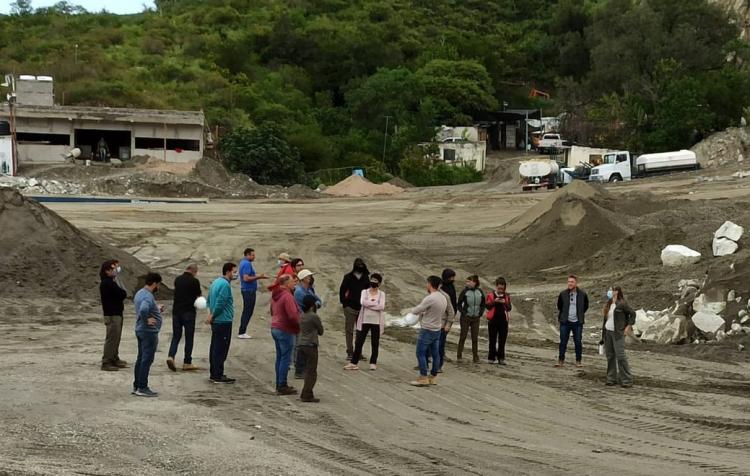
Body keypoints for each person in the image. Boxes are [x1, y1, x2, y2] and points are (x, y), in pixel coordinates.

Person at [410, 276, 450, 387]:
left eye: (427, 283)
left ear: (430, 284)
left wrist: (411, 311)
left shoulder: (430, 298)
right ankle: (433, 376)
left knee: (420, 353)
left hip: (427, 328)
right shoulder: (443, 297)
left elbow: (418, 310)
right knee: (436, 353)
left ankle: (423, 377)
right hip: (437, 328)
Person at [345, 273, 386, 371]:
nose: (373, 282)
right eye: (372, 280)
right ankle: (354, 362)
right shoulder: (364, 292)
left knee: (375, 342)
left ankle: (373, 362)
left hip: (376, 321)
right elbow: (363, 302)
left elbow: (381, 306)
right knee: (359, 341)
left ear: (379, 283)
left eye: (376, 281)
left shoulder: (382, 294)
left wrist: (370, 304)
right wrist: (374, 303)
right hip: (364, 320)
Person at [133, 272, 163, 397]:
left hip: (140, 330)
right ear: (154, 283)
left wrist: (156, 309)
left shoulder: (140, 293)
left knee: (140, 359)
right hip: (148, 332)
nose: (159, 288)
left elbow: (146, 308)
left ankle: (137, 385)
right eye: (159, 285)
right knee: (146, 360)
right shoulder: (147, 296)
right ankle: (142, 387)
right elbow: (144, 309)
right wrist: (147, 320)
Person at [167, 264, 202, 372]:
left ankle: (171, 356)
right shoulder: (194, 281)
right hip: (189, 312)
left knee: (176, 336)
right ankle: (187, 362)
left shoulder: (178, 280)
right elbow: (198, 296)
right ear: (194, 271)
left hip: (176, 311)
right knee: (189, 337)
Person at [207, 262, 238, 384]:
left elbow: (209, 300)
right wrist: (213, 315)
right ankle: (218, 375)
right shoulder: (225, 285)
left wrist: (210, 314)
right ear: (228, 271)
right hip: (223, 320)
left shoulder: (215, 282)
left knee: (215, 347)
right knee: (221, 349)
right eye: (234, 272)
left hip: (217, 320)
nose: (236, 274)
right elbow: (221, 302)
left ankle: (214, 372)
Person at [271, 274, 301, 395]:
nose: (295, 283)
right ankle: (282, 384)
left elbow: (272, 310)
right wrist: (298, 326)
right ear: (286, 283)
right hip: (285, 329)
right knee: (285, 358)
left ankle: (279, 382)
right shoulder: (287, 296)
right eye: (293, 281)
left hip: (275, 326)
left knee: (280, 357)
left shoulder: (275, 295)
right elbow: (293, 315)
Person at [600, 286, 636, 387]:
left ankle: (627, 380)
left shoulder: (622, 304)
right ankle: (611, 378)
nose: (609, 292)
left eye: (611, 290)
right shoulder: (609, 303)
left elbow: (632, 314)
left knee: (620, 356)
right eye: (609, 290)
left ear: (616, 292)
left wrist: (627, 327)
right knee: (610, 356)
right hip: (608, 332)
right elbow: (606, 319)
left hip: (618, 333)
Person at [339, 258, 370, 361]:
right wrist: (344, 303)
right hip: (349, 308)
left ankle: (358, 352)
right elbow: (342, 290)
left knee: (360, 331)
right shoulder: (348, 277)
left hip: (361, 308)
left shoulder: (366, 278)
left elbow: (369, 292)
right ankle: (350, 352)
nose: (360, 267)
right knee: (349, 331)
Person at [293, 269, 322, 378]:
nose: (310, 278)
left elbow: (318, 301)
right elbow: (314, 302)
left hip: (307, 318)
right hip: (304, 319)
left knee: (304, 343)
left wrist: (316, 303)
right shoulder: (300, 291)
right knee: (302, 344)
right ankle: (299, 369)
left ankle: (302, 368)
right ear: (303, 279)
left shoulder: (308, 290)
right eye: (308, 276)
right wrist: (315, 304)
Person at [99, 260, 128, 371]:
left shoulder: (112, 282)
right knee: (112, 338)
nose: (116, 270)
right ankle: (106, 361)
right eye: (113, 269)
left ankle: (114, 357)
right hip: (112, 315)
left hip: (116, 313)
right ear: (107, 271)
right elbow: (122, 294)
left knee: (116, 338)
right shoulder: (107, 283)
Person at [556, 275, 589, 368]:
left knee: (578, 341)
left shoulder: (582, 294)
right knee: (563, 341)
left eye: (572, 282)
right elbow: (559, 306)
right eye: (568, 282)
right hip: (565, 322)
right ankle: (560, 360)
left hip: (577, 322)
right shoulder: (563, 294)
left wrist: (579, 315)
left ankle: (578, 361)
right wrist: (564, 316)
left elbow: (585, 306)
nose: (570, 283)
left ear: (576, 283)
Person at [297, 295, 324, 402]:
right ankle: (306, 393)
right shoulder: (313, 316)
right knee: (311, 371)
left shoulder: (301, 315)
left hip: (301, 344)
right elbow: (321, 331)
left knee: (306, 370)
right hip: (311, 344)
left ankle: (307, 392)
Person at [238, 248, 268, 339]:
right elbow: (246, 278)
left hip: (248, 290)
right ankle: (242, 331)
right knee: (248, 311)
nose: (254, 257)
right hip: (248, 290)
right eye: (252, 255)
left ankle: (242, 331)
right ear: (247, 255)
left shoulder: (244, 263)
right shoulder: (246, 264)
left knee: (247, 311)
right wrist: (259, 277)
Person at [456, 275, 485, 363]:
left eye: (469, 281)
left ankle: (475, 358)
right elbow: (459, 304)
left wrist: (480, 313)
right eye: (467, 281)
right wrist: (464, 313)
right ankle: (459, 356)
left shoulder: (480, 291)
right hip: (466, 318)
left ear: (474, 282)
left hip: (476, 318)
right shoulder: (464, 292)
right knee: (463, 336)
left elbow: (483, 303)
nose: (467, 283)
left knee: (475, 338)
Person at [486, 277, 511, 365]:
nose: (500, 289)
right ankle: (491, 358)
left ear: (504, 287)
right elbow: (488, 306)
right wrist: (494, 301)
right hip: (493, 320)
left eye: (502, 288)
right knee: (492, 340)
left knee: (502, 340)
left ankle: (501, 358)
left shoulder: (507, 296)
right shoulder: (491, 295)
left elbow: (509, 308)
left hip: (503, 321)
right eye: (499, 287)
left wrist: (504, 302)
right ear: (496, 286)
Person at [438, 269, 458, 371]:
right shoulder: (441, 288)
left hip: (448, 317)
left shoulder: (451, 287)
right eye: (451, 277)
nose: (453, 279)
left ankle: (439, 360)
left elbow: (454, 302)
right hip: (439, 317)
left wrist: (453, 314)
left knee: (442, 339)